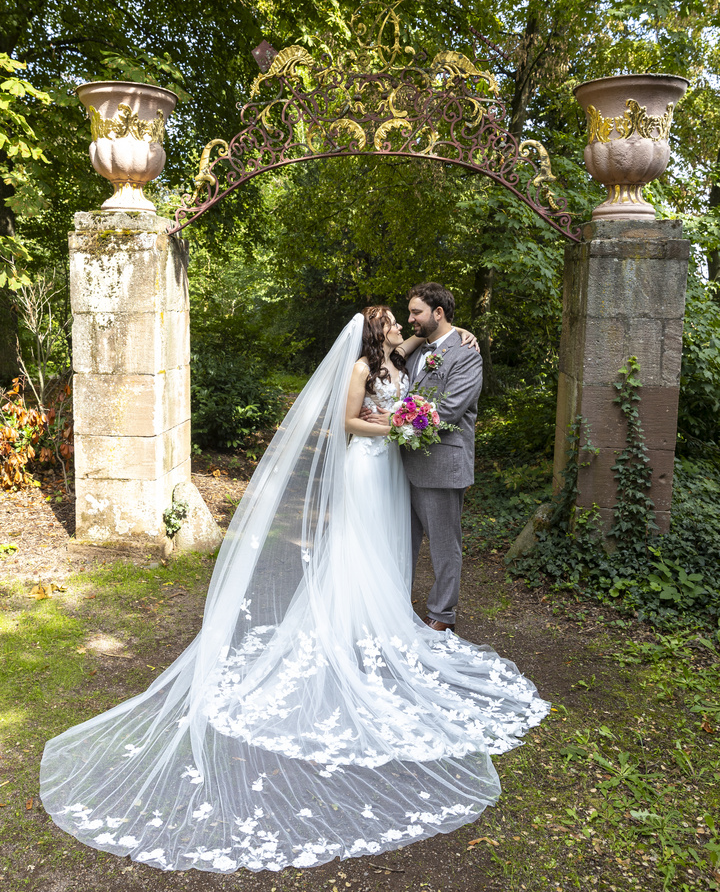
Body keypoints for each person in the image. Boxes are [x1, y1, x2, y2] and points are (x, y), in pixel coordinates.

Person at [40, 308, 549, 875]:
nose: (399, 324)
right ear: (375, 332)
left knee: (388, 542)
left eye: (405, 317)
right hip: (370, 461)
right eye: (391, 320)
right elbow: (349, 421)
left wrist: (457, 342)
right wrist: (394, 427)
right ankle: (351, 615)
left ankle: (382, 614)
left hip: (392, 469)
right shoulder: (360, 367)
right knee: (359, 541)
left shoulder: (401, 358)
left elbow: (426, 356)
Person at [361, 283, 482, 632]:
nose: (410, 319)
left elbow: (448, 412)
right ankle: (397, 605)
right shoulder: (414, 351)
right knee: (403, 543)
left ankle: (442, 615)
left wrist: (392, 421)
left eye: (416, 312)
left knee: (444, 545)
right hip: (403, 466)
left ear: (437, 313)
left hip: (442, 465)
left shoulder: (466, 355)